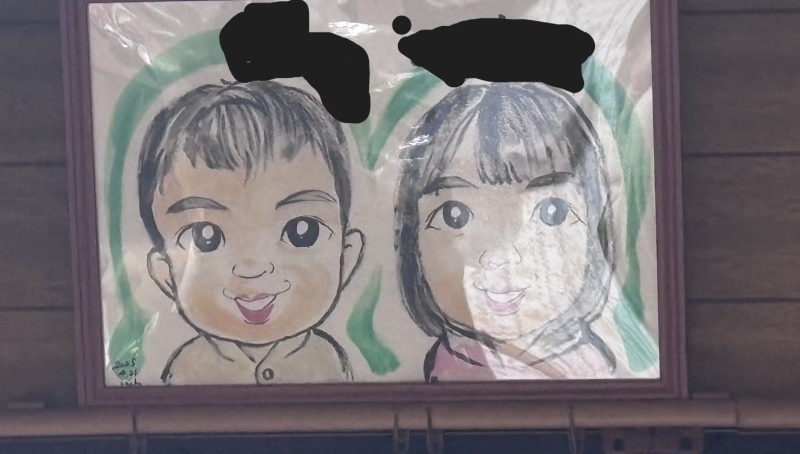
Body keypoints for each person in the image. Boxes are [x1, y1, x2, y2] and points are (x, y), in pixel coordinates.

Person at [138, 80, 364, 385]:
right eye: (206, 237)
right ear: (165, 274)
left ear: (346, 258)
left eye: (302, 232)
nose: (252, 267)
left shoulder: (330, 362)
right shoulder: (185, 371)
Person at [394, 82, 621, 382]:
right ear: (412, 240)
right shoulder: (442, 368)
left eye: (551, 212)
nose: (500, 255)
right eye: (455, 215)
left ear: (595, 229)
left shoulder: (599, 372)